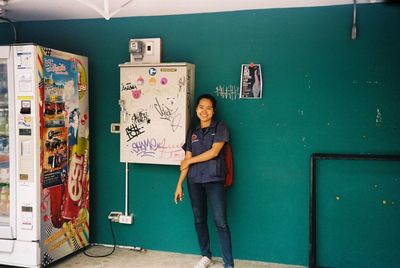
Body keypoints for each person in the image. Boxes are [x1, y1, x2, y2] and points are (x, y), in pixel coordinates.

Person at [174, 94, 234, 268]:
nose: (204, 111)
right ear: (196, 109)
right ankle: (206, 256)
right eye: (201, 107)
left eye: (208, 108)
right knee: (199, 219)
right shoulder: (192, 132)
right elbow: (186, 158)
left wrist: (189, 161)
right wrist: (179, 184)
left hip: (215, 180)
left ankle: (228, 263)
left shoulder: (221, 128)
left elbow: (214, 152)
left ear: (213, 111)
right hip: (194, 181)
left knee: (220, 221)